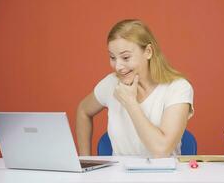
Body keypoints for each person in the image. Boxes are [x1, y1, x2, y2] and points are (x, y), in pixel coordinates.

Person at [76, 19, 194, 157]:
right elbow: (83, 110)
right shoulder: (111, 83)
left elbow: (161, 150)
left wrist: (131, 103)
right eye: (112, 57)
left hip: (163, 176)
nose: (118, 66)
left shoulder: (178, 88)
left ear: (148, 52)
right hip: (118, 176)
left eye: (125, 57)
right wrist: (84, 161)